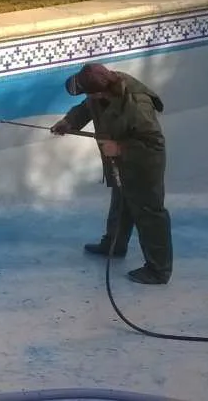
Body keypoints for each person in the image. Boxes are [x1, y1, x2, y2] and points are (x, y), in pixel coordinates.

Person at [50, 62, 173, 285]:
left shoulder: (137, 105)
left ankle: (158, 270)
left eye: (89, 93)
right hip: (121, 163)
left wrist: (120, 148)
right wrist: (69, 122)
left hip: (144, 165)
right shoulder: (102, 87)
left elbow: (154, 143)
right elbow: (88, 107)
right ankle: (114, 245)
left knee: (150, 214)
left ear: (100, 91)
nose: (88, 97)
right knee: (121, 203)